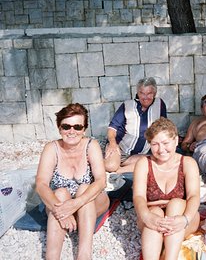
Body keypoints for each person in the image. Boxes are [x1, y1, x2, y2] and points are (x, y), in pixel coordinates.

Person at [35, 103, 110, 259]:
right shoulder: (52, 148)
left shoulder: (91, 145)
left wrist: (76, 203)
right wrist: (61, 211)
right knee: (60, 193)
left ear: (84, 129)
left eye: (77, 127)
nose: (71, 131)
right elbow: (41, 184)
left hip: (90, 202)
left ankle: (84, 255)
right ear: (59, 127)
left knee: (84, 188)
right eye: (66, 126)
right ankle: (52, 256)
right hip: (62, 204)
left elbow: (101, 181)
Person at [133, 117, 200, 260]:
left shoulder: (188, 163)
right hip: (152, 216)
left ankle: (170, 257)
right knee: (156, 212)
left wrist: (184, 219)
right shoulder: (144, 163)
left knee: (176, 203)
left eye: (165, 143)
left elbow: (194, 196)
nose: (161, 149)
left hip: (183, 218)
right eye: (155, 144)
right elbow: (138, 196)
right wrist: (146, 216)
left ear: (176, 141)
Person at [104, 77, 167, 173]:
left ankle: (119, 170)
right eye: (142, 93)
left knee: (157, 162)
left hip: (139, 154)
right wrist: (112, 143)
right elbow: (112, 128)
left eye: (149, 93)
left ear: (154, 93)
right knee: (110, 166)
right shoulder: (127, 105)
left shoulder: (160, 104)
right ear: (138, 93)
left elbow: (164, 127)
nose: (145, 97)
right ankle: (113, 165)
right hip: (120, 148)